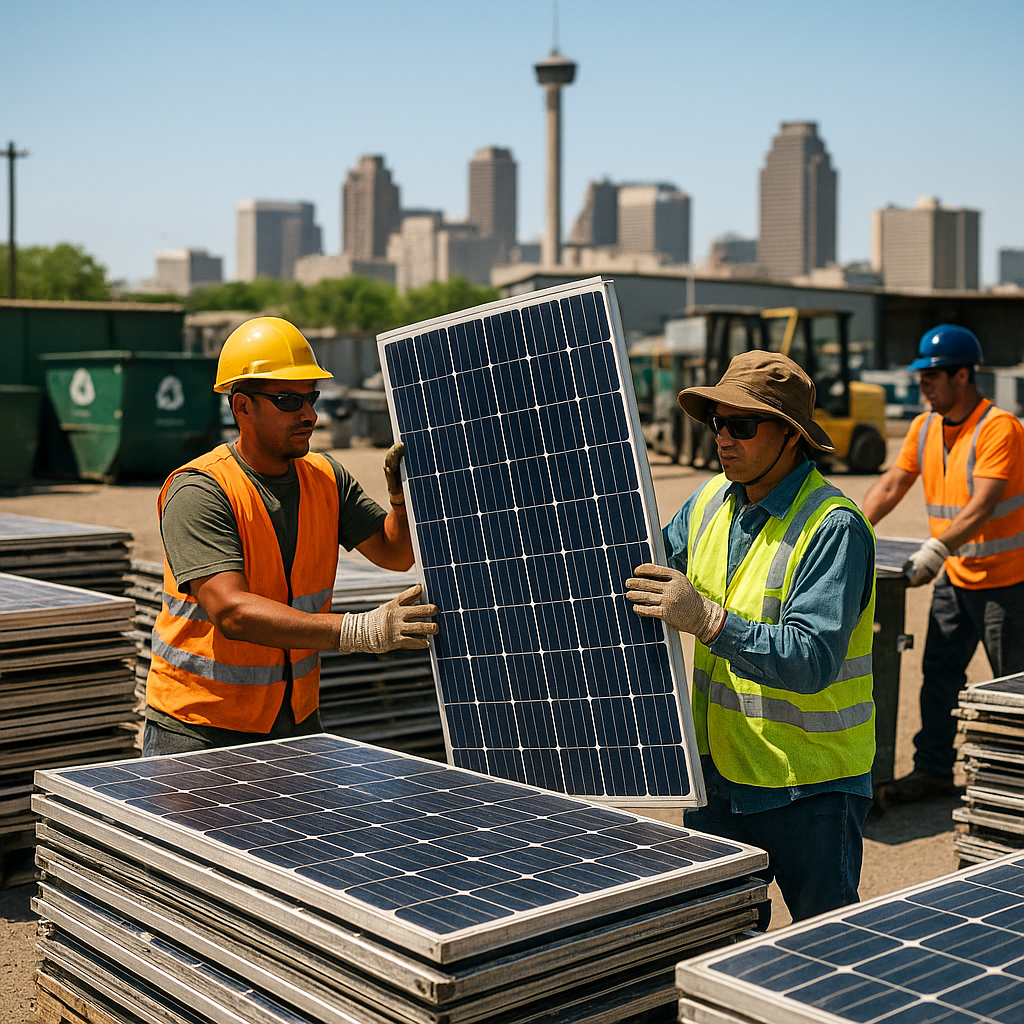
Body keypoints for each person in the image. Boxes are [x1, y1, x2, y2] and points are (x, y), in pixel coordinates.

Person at [626, 350, 876, 925]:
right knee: (715, 941)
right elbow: (648, 575)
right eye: (717, 423)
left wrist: (709, 621)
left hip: (810, 787)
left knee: (829, 949)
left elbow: (811, 660)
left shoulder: (833, 527)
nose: (723, 438)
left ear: (791, 436)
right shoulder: (711, 500)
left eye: (742, 425)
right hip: (719, 778)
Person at [143, 316, 437, 756]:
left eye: (311, 398)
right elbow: (232, 611)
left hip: (295, 719)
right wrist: (360, 630)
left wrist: (402, 499)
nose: (310, 414)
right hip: (200, 726)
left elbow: (395, 553)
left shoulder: (325, 477)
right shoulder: (200, 490)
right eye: (288, 400)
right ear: (242, 406)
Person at [863, 324, 1024, 805]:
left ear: (963, 375)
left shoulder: (1000, 428)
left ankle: (1012, 783)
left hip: (1008, 582)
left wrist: (936, 549)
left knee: (1011, 689)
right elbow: (893, 484)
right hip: (958, 579)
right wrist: (854, 526)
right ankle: (933, 770)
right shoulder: (925, 426)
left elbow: (982, 505)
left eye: (932, 375)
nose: (922, 384)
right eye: (920, 376)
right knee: (939, 677)